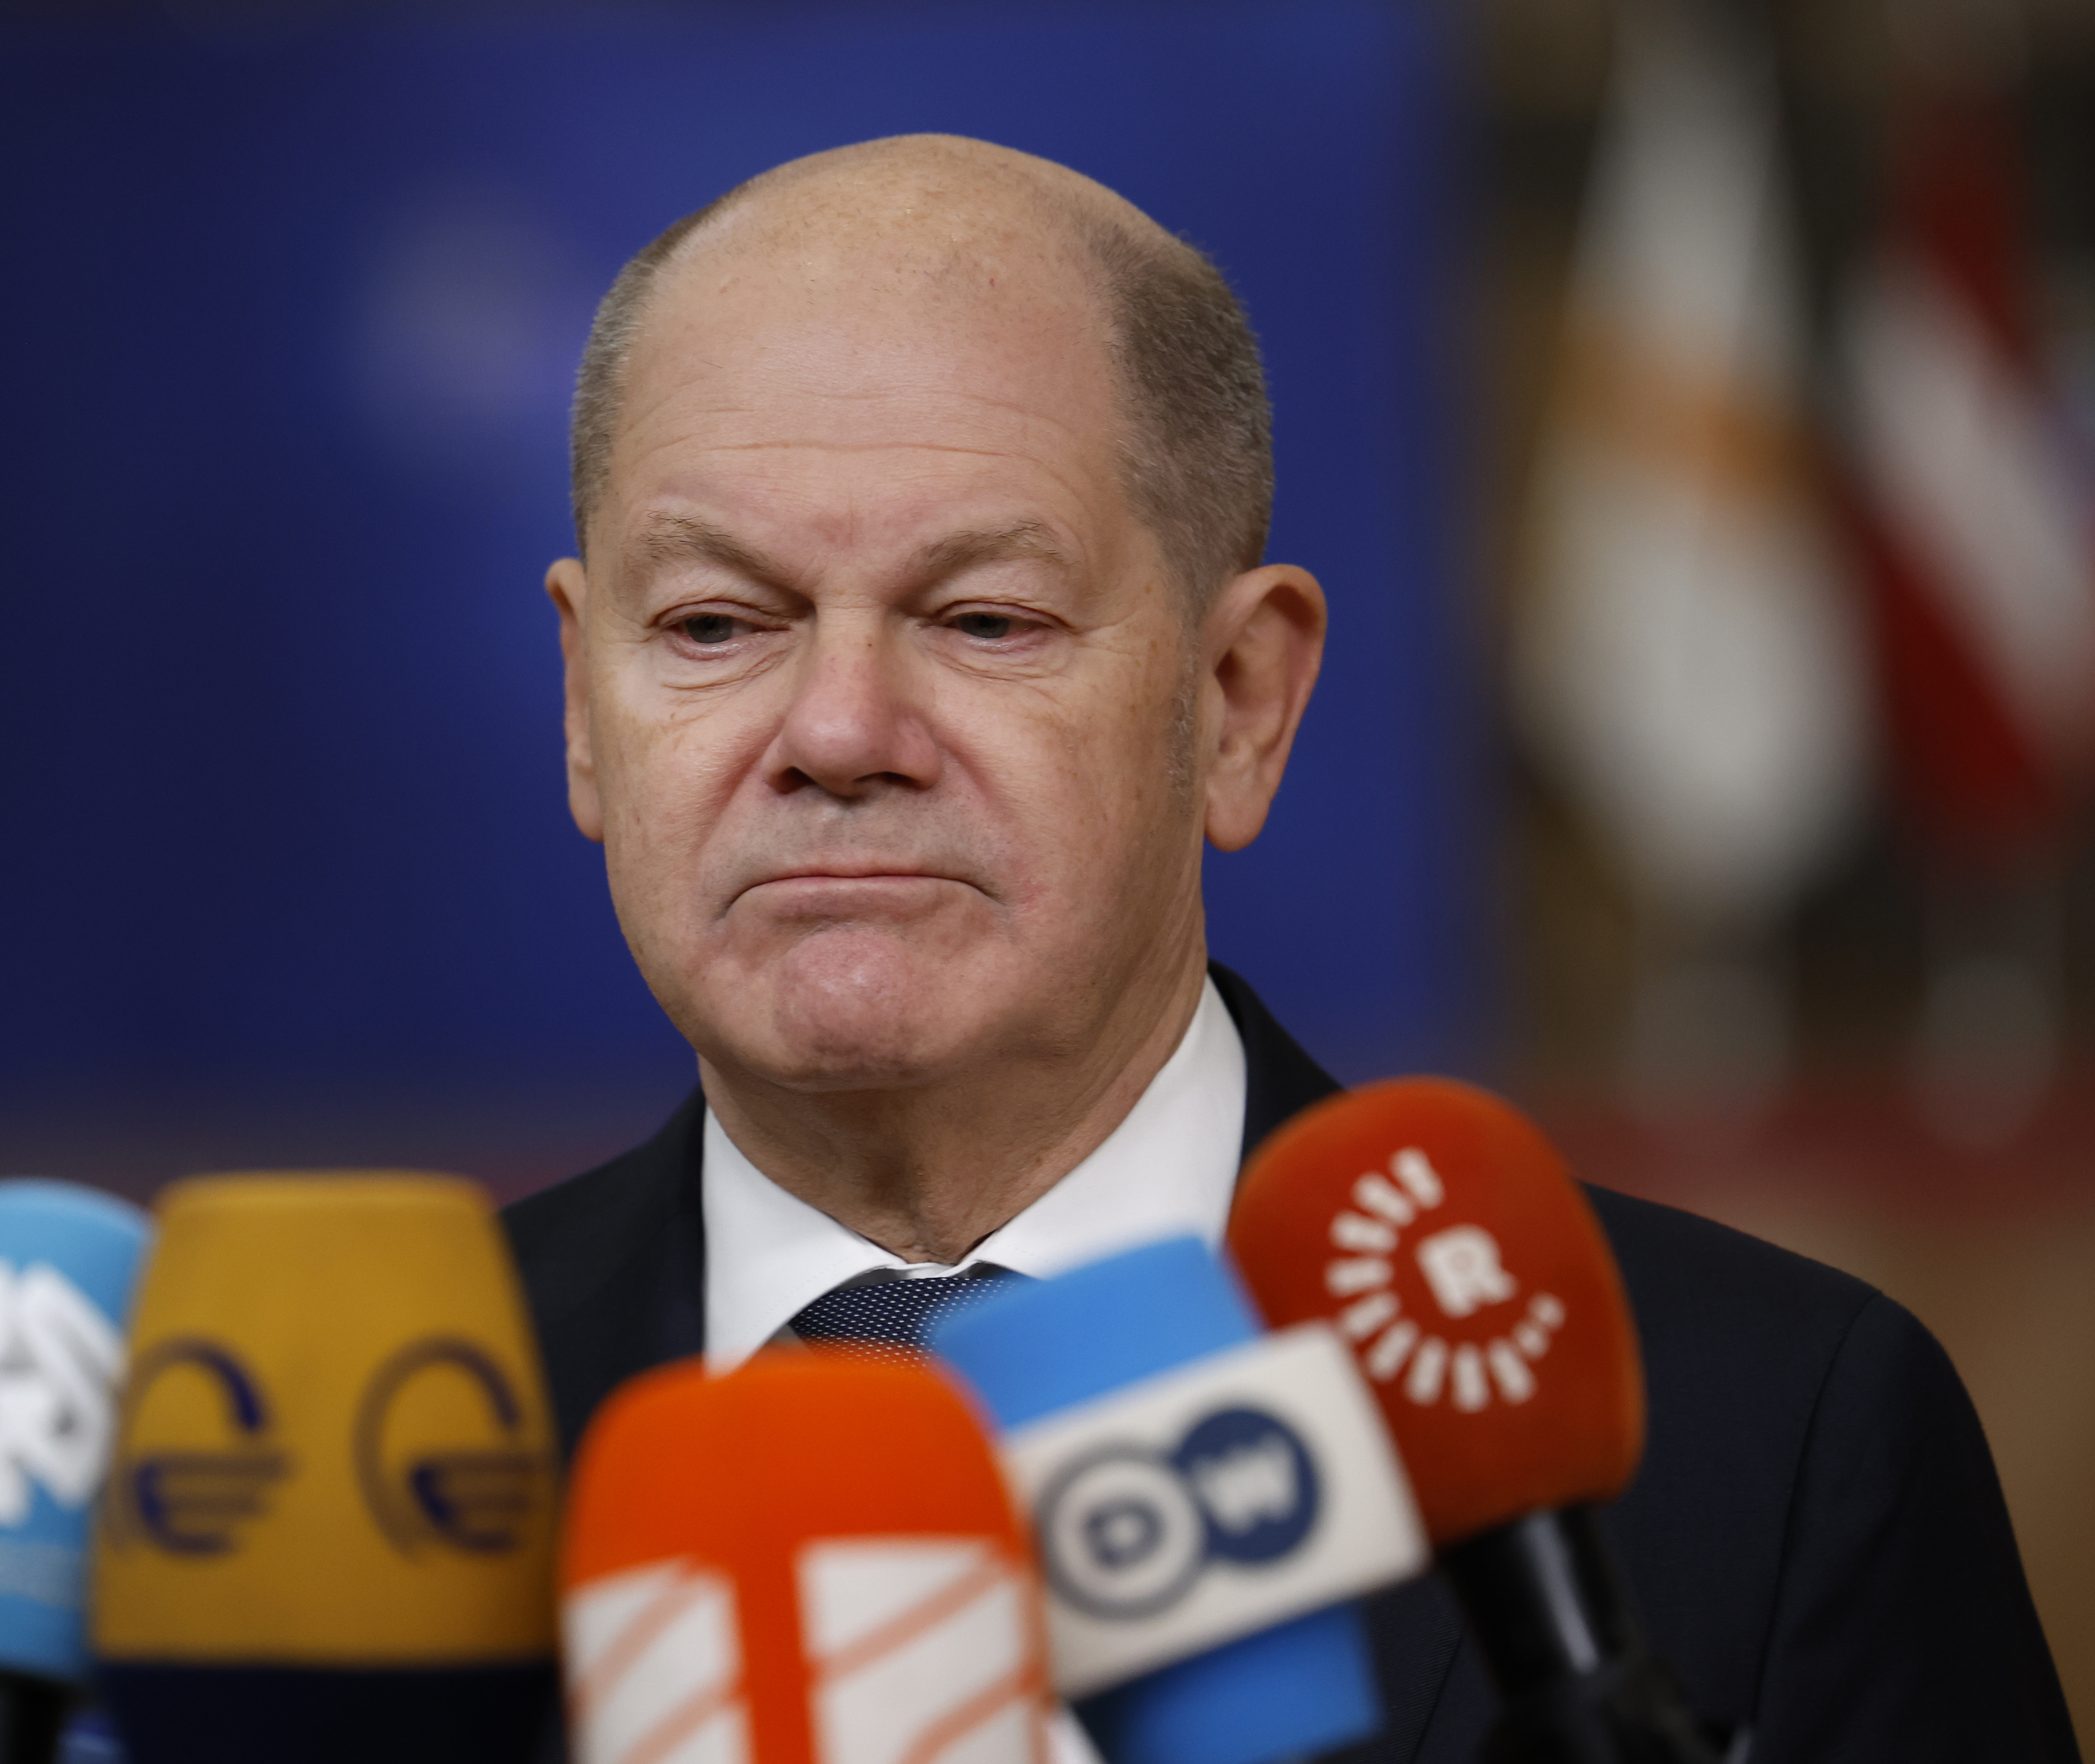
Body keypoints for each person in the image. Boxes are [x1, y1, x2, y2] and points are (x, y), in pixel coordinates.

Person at [504, 135, 2076, 1761]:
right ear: (583, 708)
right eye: (713, 624)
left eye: (985, 619)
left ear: (1240, 701)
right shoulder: (390, 1465)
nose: (838, 731)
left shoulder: (1778, 1436)